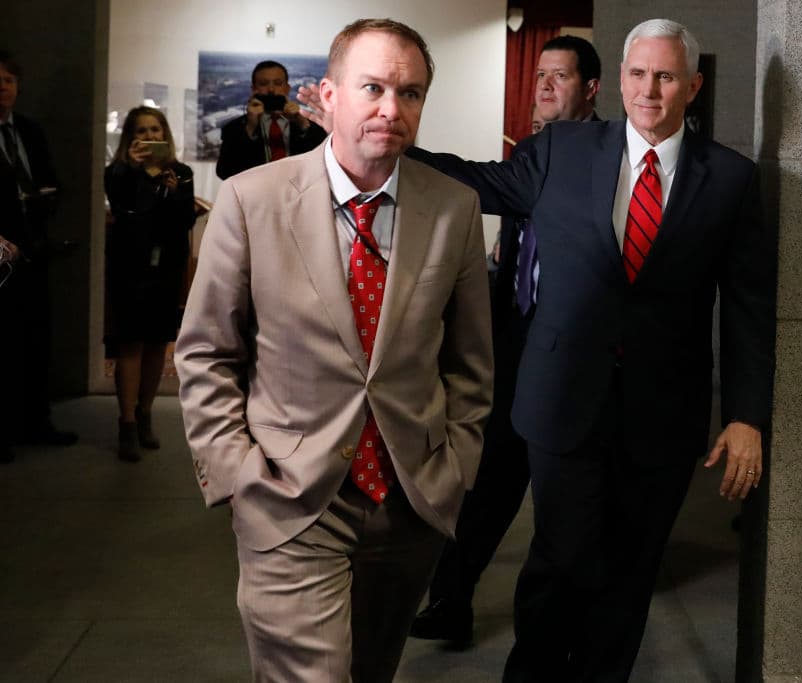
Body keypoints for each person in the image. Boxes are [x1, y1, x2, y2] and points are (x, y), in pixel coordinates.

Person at [405, 18, 776, 681]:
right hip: (561, 402)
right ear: (622, 80)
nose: (649, 91)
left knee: (630, 573)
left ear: (692, 85)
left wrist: (745, 416)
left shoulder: (731, 180)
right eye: (638, 74)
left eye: (665, 77)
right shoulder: (566, 150)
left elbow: (748, 309)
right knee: (560, 559)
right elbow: (477, 183)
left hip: (663, 417)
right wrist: (384, 146)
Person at [175, 18, 493, 682]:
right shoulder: (250, 200)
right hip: (288, 493)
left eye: (410, 93)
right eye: (372, 87)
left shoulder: (455, 208)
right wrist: (236, 472)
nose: (391, 108)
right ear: (327, 95)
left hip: (410, 500)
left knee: (372, 671)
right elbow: (206, 351)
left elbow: (470, 361)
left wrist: (455, 460)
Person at [409, 34, 603, 646]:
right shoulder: (535, 150)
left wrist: (396, 149)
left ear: (592, 88)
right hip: (515, 342)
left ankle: (557, 629)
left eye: (560, 77)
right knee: (487, 480)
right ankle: (450, 602)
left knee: (560, 496)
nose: (543, 86)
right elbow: (489, 194)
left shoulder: (604, 154)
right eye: (539, 74)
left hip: (573, 355)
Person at [104, 106, 195, 462]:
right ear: (131, 136)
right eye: (141, 130)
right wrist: (132, 169)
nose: (149, 136)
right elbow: (123, 209)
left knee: (157, 344)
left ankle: (145, 413)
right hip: (130, 268)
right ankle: (125, 422)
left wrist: (171, 191)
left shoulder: (181, 173)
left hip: (166, 269)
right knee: (130, 344)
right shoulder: (119, 172)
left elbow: (185, 220)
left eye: (155, 129)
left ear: (165, 134)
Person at [0, 50, 77, 464]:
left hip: (33, 248)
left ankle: (36, 421)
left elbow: (49, 177)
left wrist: (48, 197)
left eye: (9, 80)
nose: (3, 88)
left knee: (35, 338)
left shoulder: (28, 130)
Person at [215, 60, 327, 179]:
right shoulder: (234, 129)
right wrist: (250, 127)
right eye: (263, 84)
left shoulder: (301, 123)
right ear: (254, 89)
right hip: (256, 194)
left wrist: (301, 121)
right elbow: (224, 172)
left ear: (287, 88)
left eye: (278, 83)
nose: (271, 89)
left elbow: (322, 165)